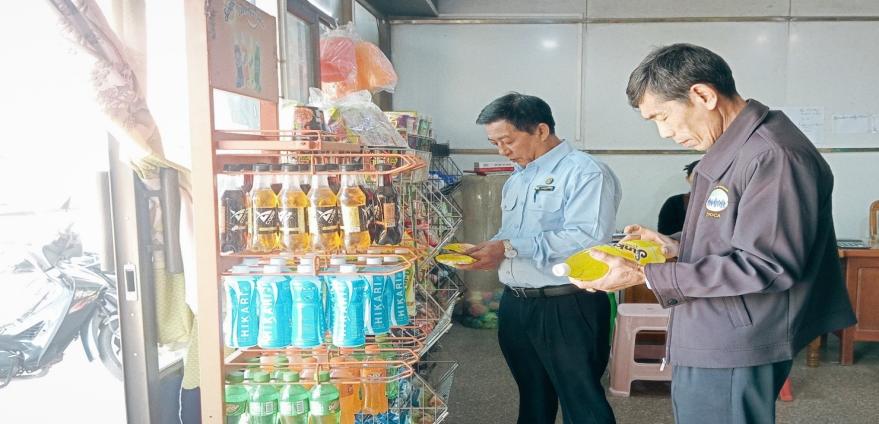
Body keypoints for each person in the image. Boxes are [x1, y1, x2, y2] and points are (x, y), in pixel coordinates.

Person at [571, 43, 856, 424]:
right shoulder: (738, 147)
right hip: (716, 327)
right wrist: (674, 245)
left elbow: (766, 265)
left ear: (703, 95)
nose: (664, 133)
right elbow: (734, 233)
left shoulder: (772, 155)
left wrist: (645, 275)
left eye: (663, 117)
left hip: (736, 339)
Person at [460, 92, 622, 424]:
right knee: (533, 398)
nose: (502, 150)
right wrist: (488, 249)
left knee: (582, 402)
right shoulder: (518, 178)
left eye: (507, 140)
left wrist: (508, 248)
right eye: (494, 143)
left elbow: (586, 238)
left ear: (541, 130)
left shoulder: (585, 172)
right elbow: (513, 234)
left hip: (567, 303)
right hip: (517, 304)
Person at [657, 160, 699, 235]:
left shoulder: (720, 204)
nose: (702, 180)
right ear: (688, 179)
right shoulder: (673, 203)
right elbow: (665, 235)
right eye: (697, 175)